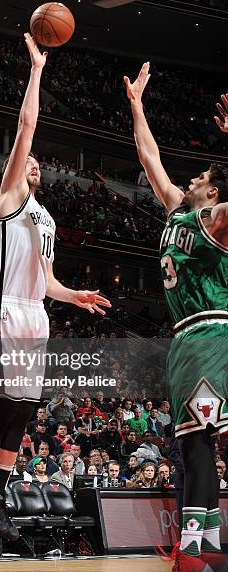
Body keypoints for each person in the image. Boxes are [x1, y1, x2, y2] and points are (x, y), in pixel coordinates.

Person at [0, 33, 111, 540]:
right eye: (23, 159)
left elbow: (46, 281)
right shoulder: (9, 201)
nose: (29, 160)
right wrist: (36, 70)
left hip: (33, 310)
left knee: (25, 409)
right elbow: (26, 124)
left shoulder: (45, 217)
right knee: (8, 404)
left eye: (32, 162)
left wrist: (76, 296)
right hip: (2, 309)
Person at [125, 65, 228, 571]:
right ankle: (204, 546)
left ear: (214, 192)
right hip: (186, 340)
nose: (192, 178)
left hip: (213, 332)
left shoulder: (217, 220)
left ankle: (193, 549)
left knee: (202, 439)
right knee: (194, 441)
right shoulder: (176, 213)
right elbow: (150, 158)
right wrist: (137, 106)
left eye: (202, 177)